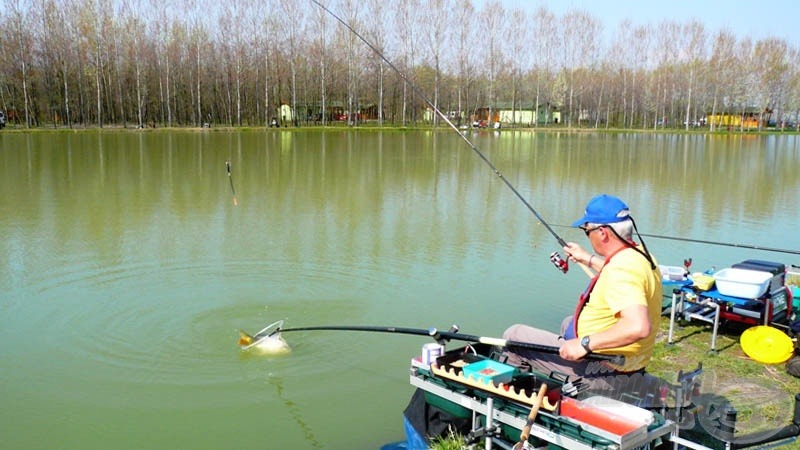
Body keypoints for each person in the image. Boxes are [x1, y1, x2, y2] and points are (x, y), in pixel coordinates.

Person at [503, 194, 662, 392]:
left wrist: (584, 344)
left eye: (587, 230)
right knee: (569, 323)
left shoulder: (621, 270)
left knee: (515, 335)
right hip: (630, 362)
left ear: (603, 233)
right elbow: (621, 274)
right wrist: (587, 258)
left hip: (606, 371)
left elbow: (638, 326)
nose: (587, 235)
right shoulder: (641, 256)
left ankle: (511, 400)